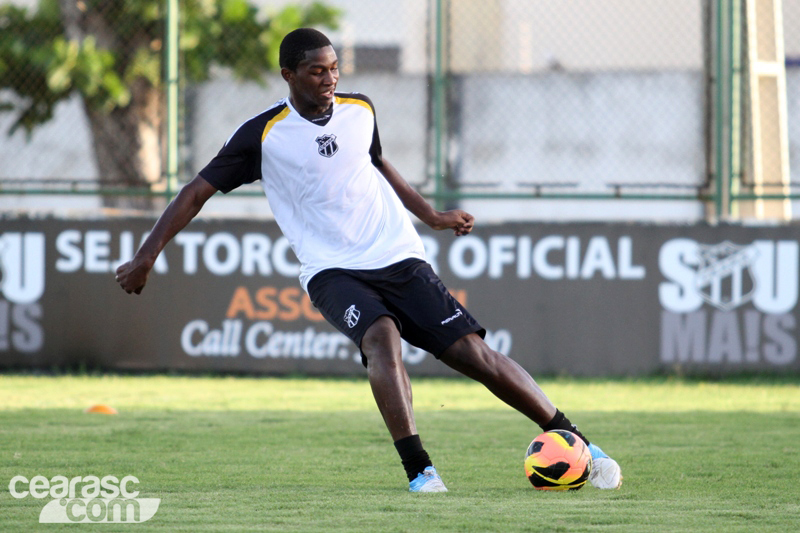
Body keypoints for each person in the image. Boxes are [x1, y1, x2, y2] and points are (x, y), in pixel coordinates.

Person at [115, 28, 622, 492]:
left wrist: (432, 215)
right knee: (381, 337)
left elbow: (378, 164)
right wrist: (145, 256)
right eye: (317, 70)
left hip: (398, 254)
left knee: (475, 356)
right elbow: (194, 192)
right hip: (331, 269)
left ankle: (578, 443)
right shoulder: (262, 135)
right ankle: (420, 471)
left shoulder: (361, 109)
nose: (331, 78)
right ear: (289, 75)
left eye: (335, 67)